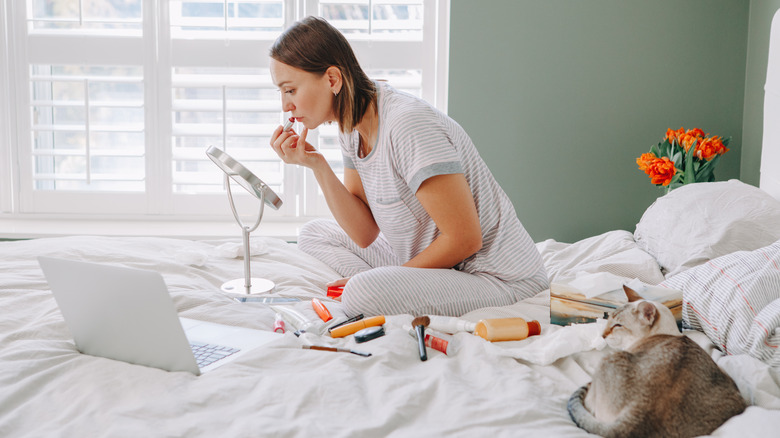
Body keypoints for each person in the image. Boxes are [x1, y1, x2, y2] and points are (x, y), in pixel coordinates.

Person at [269, 16, 548, 317]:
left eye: (290, 90)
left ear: (332, 79)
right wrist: (317, 166)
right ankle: (387, 284)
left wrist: (388, 282)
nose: (286, 106)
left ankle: (382, 286)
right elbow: (363, 233)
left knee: (362, 294)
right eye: (281, 93)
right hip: (435, 264)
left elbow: (465, 238)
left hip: (495, 277)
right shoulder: (352, 126)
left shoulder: (407, 125)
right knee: (314, 233)